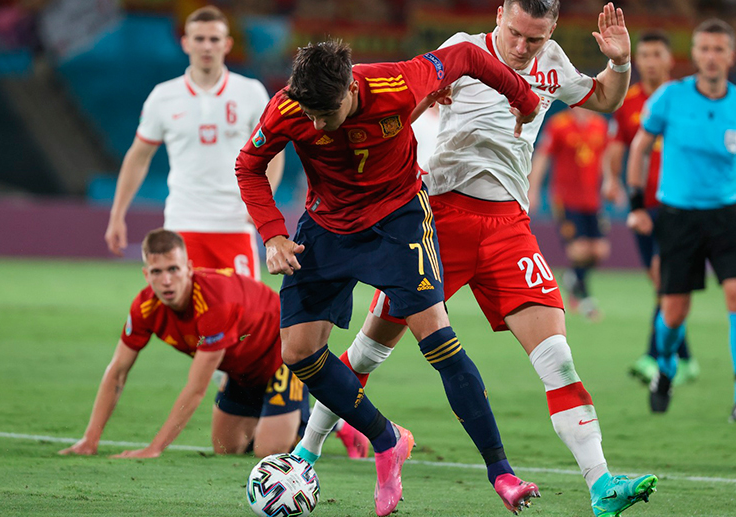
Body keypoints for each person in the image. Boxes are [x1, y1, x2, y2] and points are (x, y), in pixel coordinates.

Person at [293, 2, 658, 516]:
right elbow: (398, 112)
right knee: (372, 349)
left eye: (535, 38)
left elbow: (603, 99)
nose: (522, 47)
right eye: (515, 33)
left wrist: (619, 65)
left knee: (558, 357)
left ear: (551, 30)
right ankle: (305, 453)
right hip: (437, 220)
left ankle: (601, 485)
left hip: (509, 227)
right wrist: (423, 113)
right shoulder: (459, 52)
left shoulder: (552, 61)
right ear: (500, 14)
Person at [235, 37, 544, 516]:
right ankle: (387, 439)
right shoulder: (288, 108)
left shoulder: (396, 81)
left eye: (325, 114)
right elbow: (249, 165)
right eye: (309, 114)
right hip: (326, 226)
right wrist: (273, 235)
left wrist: (521, 96)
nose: (315, 125)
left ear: (351, 90)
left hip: (397, 222)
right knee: (296, 352)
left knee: (438, 341)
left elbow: (463, 57)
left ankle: (501, 471)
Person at [626, 19, 736, 420]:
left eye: (718, 49)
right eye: (704, 49)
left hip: (726, 216)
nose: (711, 57)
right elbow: (639, 148)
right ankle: (667, 366)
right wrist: (637, 204)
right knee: (673, 311)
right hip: (678, 217)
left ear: (731, 55)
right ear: (693, 54)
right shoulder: (669, 99)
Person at [59, 229, 308, 458]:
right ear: (146, 274)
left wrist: (154, 448)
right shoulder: (145, 307)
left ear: (189, 268)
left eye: (173, 269)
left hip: (283, 355)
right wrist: (90, 441)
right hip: (241, 369)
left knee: (267, 452)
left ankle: (316, 421)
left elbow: (197, 388)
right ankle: (275, 415)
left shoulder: (213, 303)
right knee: (226, 448)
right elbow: (117, 372)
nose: (166, 281)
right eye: (157, 272)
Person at [104, 6, 284, 279]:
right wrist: (117, 215)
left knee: (241, 314)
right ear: (185, 42)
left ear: (227, 44)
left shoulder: (250, 92)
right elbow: (138, 157)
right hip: (183, 222)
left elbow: (274, 153)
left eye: (214, 39)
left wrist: (259, 206)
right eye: (199, 39)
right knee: (186, 313)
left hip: (235, 223)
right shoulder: (163, 96)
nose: (207, 46)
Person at [602, 30, 700, 385]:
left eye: (657, 54)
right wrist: (611, 181)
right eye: (644, 55)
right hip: (643, 206)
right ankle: (685, 357)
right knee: (661, 284)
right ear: (638, 60)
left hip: (680, 204)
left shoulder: (687, 99)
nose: (650, 61)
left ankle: (654, 356)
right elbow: (616, 147)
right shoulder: (628, 102)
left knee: (664, 278)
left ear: (669, 59)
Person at [529, 106, 611, 321]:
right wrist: (533, 189)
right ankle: (584, 297)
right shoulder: (559, 124)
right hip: (565, 200)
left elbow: (605, 157)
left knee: (600, 250)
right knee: (580, 249)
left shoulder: (600, 124)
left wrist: (611, 182)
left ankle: (572, 277)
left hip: (592, 200)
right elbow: (542, 156)